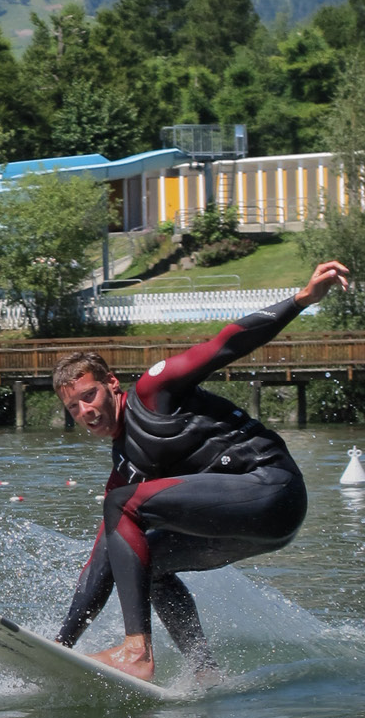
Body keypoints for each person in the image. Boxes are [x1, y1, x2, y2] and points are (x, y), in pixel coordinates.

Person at [52, 259, 349, 681]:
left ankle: (137, 650)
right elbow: (101, 565)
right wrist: (59, 648)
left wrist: (301, 299)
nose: (85, 411)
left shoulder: (156, 391)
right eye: (73, 407)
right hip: (253, 526)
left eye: (89, 395)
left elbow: (226, 344)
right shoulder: (125, 471)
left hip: (273, 487)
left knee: (121, 506)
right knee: (140, 559)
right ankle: (205, 670)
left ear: (112, 384)